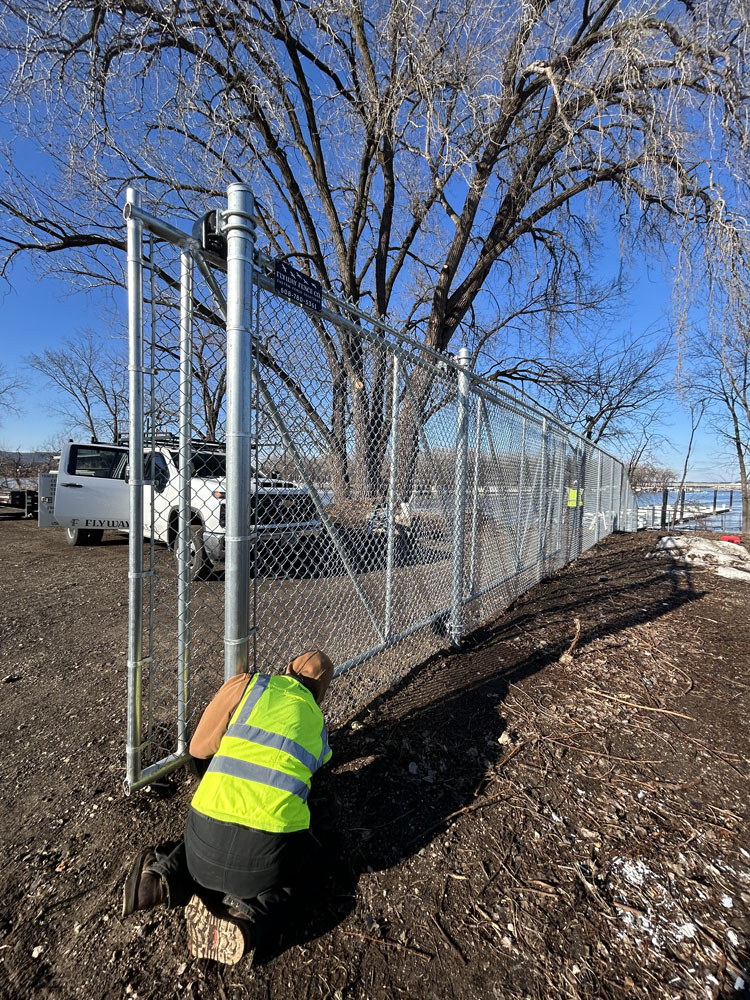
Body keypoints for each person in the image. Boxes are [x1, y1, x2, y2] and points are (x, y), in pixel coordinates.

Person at [121, 650, 336, 965]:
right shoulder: (317, 724)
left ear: (286, 669)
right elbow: (318, 768)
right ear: (320, 693)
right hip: (264, 866)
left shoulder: (251, 686)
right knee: (307, 862)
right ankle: (248, 922)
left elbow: (198, 748)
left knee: (212, 822)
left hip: (200, 849)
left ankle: (160, 880)